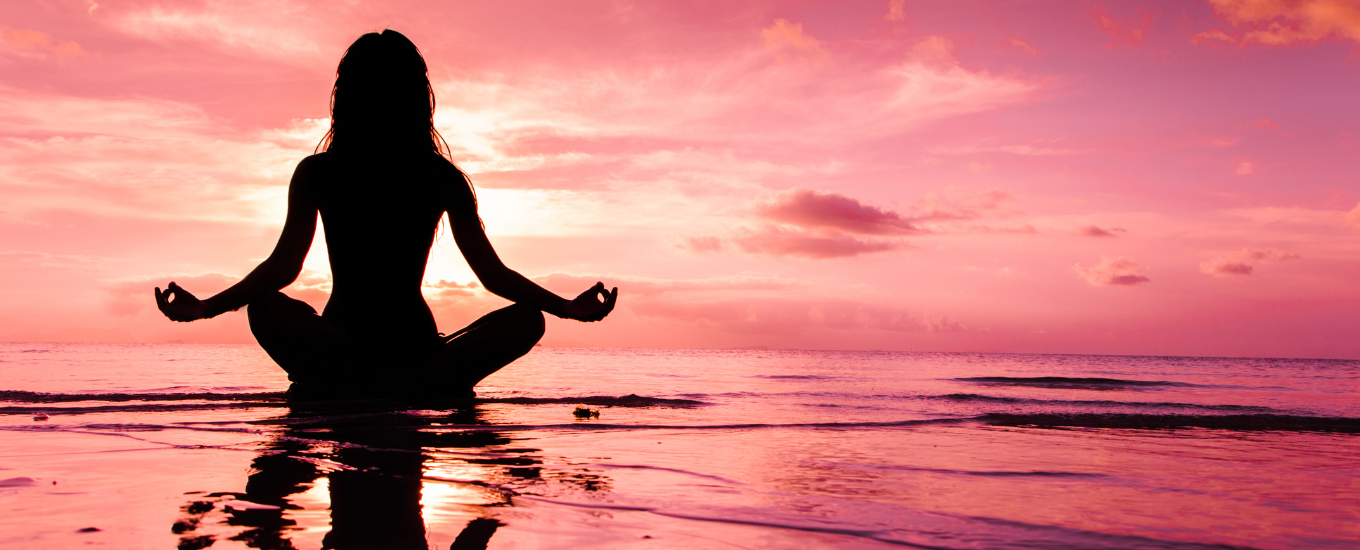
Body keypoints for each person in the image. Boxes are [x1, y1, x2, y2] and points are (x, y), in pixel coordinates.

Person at [154, 30, 617, 400]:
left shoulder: (426, 177)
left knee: (527, 319)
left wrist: (565, 309)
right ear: (419, 100)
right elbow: (284, 268)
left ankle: (373, 383)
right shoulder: (336, 173)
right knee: (268, 308)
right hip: (382, 350)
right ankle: (406, 386)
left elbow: (492, 275)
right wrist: (206, 307)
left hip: (374, 351)